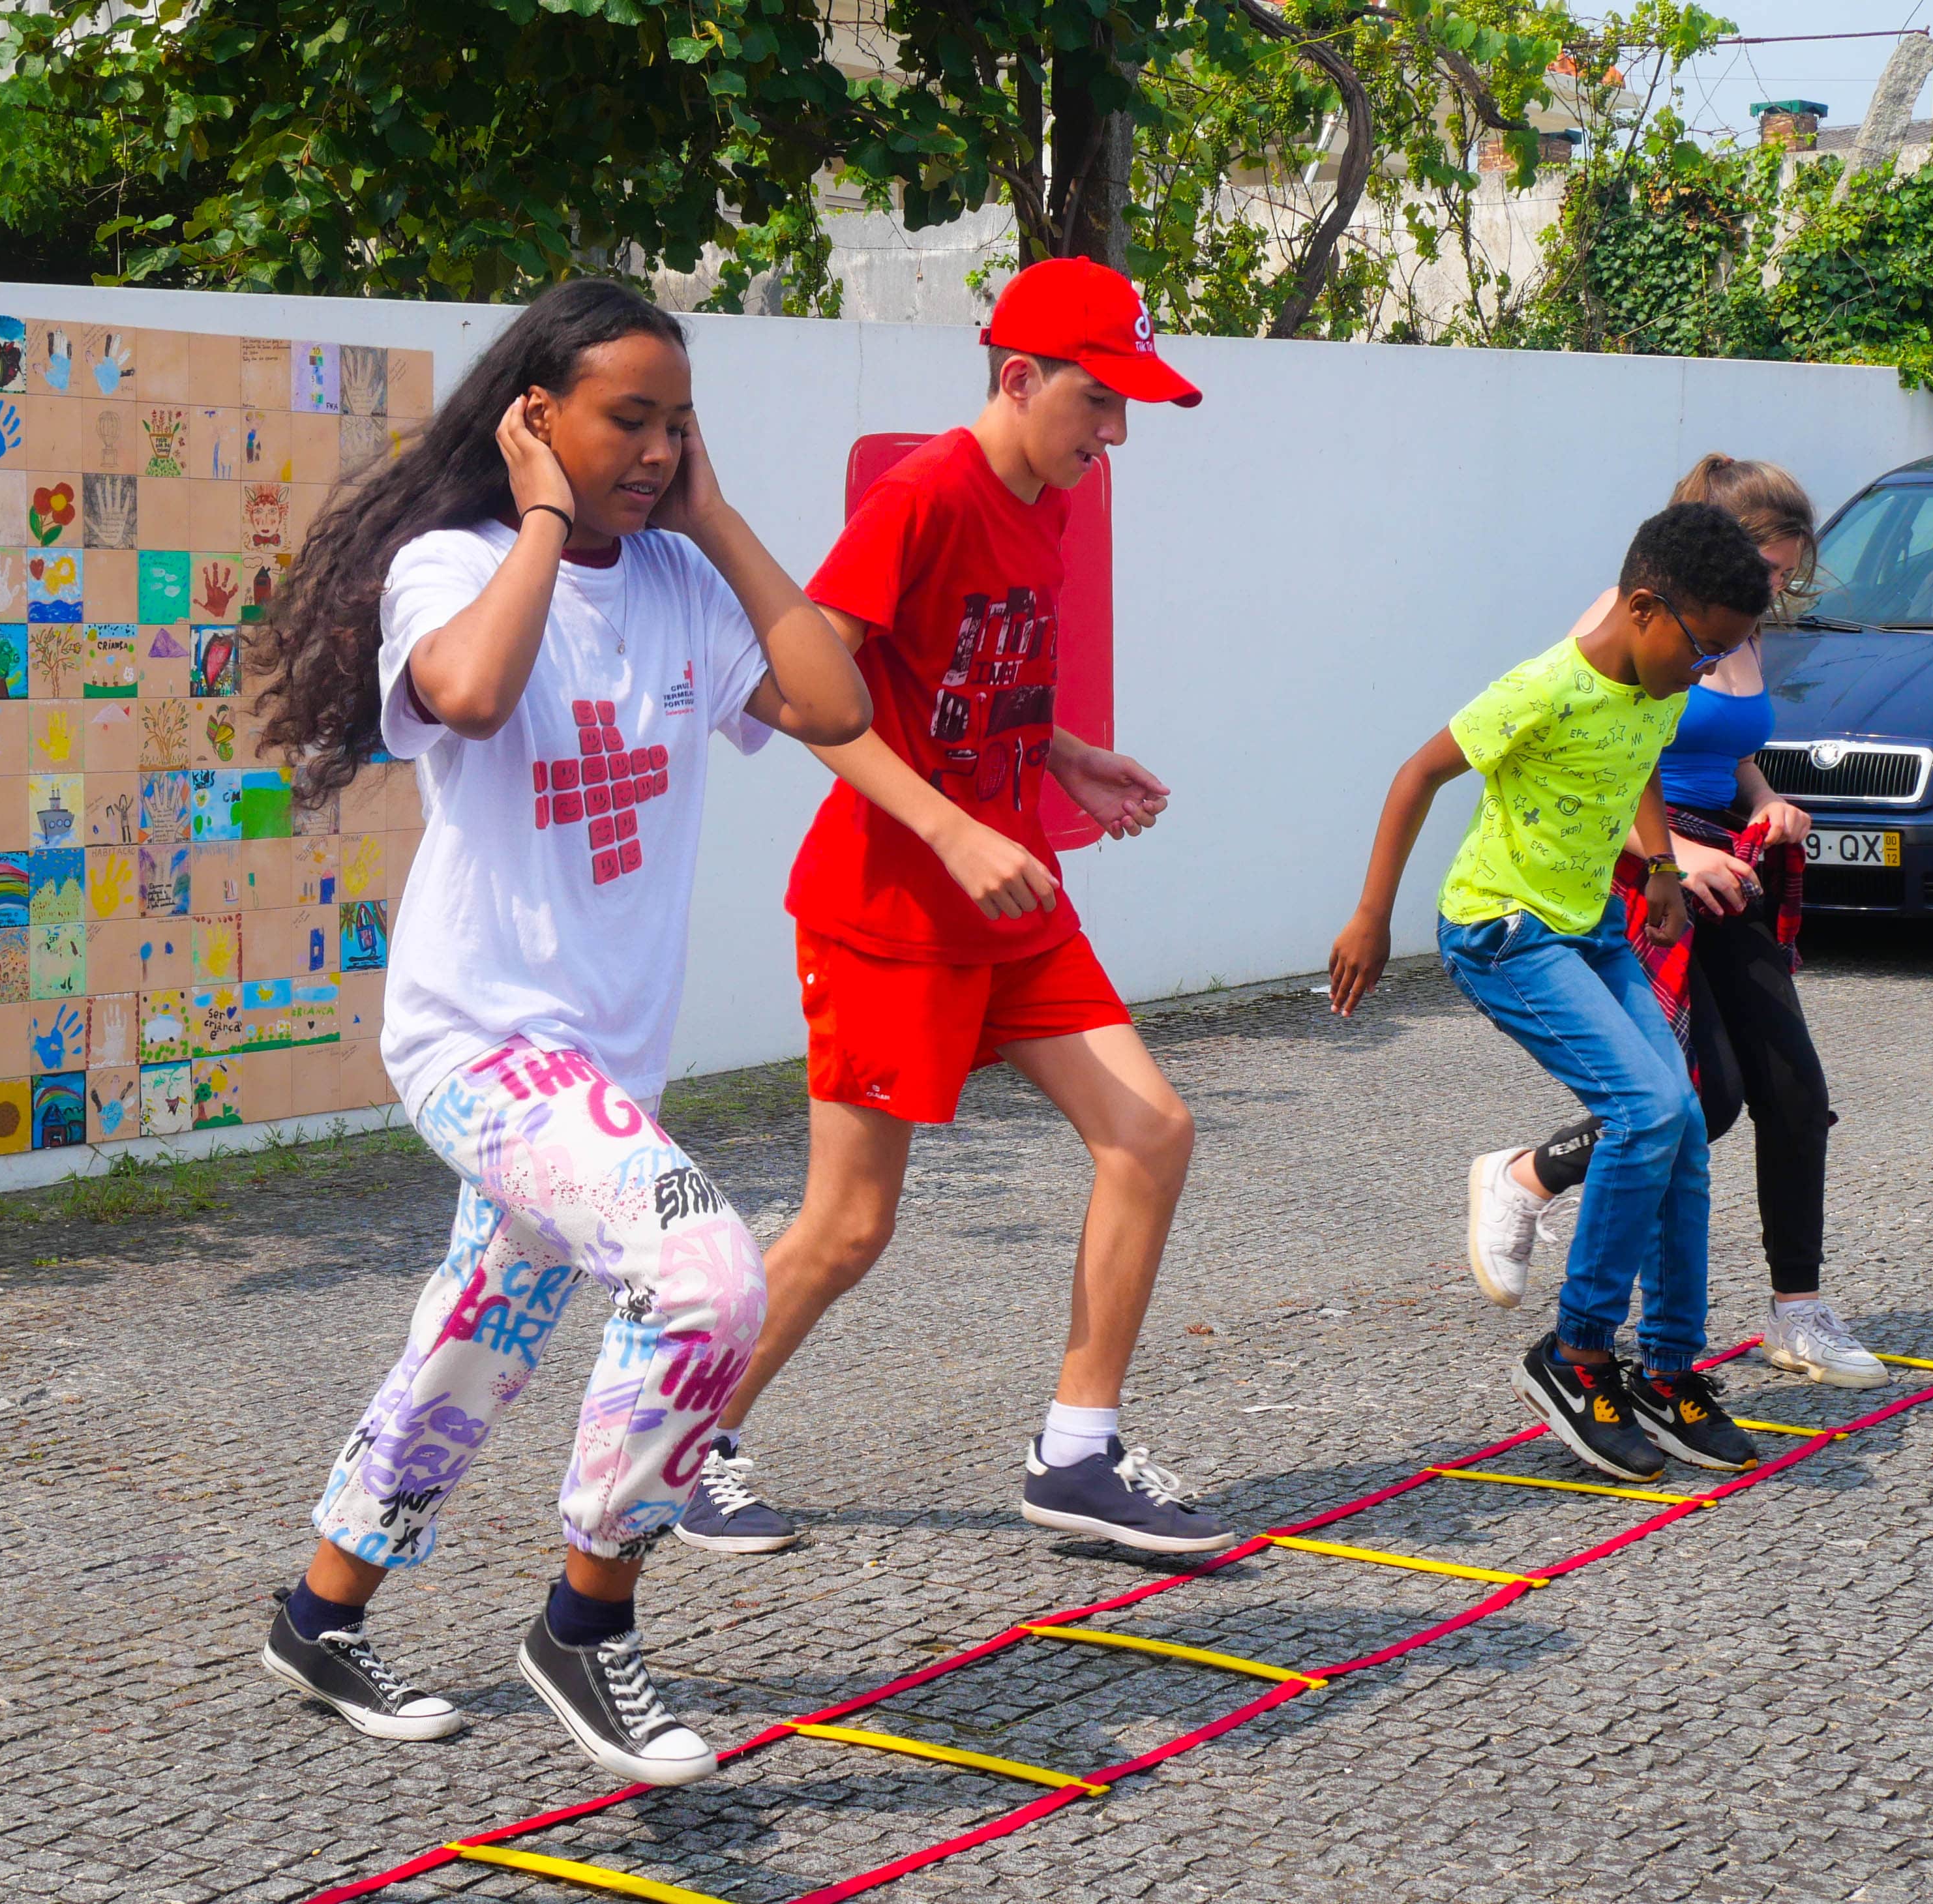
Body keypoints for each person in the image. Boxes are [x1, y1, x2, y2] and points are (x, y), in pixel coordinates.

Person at [248, 282, 867, 1786]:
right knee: (707, 1274)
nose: (656, 450)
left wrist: (716, 518)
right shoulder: (452, 563)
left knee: (480, 1332)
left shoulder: (681, 579)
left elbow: (836, 701)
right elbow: (467, 693)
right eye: (626, 420)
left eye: (677, 423)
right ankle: (587, 1622)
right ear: (535, 416)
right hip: (480, 1040)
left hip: (601, 1066)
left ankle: (321, 1612)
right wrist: (538, 517)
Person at [668, 258, 1229, 1560]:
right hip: (888, 912)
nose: (1116, 433)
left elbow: (968, 681)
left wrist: (1064, 755)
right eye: (1100, 401)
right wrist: (949, 825)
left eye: (1129, 406)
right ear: (1020, 379)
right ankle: (682, 1443)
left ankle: (1076, 1453)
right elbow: (809, 697)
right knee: (848, 1227)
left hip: (1014, 896)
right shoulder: (921, 497)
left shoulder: (1052, 497)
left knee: (1151, 1133)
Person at [1327, 503, 1775, 1483]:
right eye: (1701, 651)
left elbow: (1640, 761)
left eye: (1721, 658)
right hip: (1503, 932)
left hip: (1594, 927)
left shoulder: (1658, 684)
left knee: (1683, 1119)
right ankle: (1576, 1356)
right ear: (1645, 608)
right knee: (1645, 1109)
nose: (1703, 673)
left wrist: (1661, 866)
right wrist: (1370, 916)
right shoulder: (1544, 688)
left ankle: (1667, 1368)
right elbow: (1416, 775)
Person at [1461, 456, 1886, 1388]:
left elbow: (1726, 747)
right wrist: (1675, 858)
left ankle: (1798, 1313)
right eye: (1770, 569)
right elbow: (1593, 763)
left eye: (1787, 575)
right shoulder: (1630, 615)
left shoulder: (1739, 626)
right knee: (1708, 1100)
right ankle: (1530, 1178)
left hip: (1724, 863)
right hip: (1648, 869)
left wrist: (1769, 801)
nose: (1776, 590)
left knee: (1794, 1093)